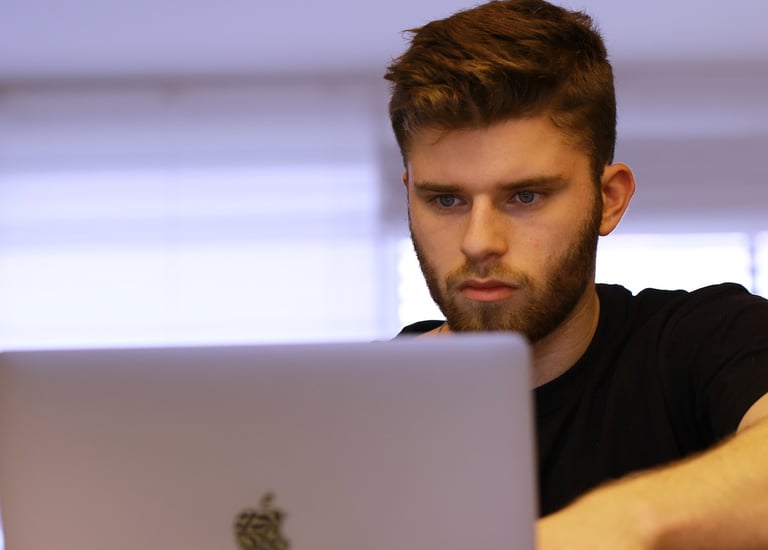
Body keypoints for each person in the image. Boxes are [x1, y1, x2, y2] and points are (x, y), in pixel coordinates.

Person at [384, 0, 768, 547]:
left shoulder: (704, 341)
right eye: (446, 200)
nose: (479, 241)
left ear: (608, 199)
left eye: (526, 195)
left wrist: (621, 524)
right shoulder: (362, 406)